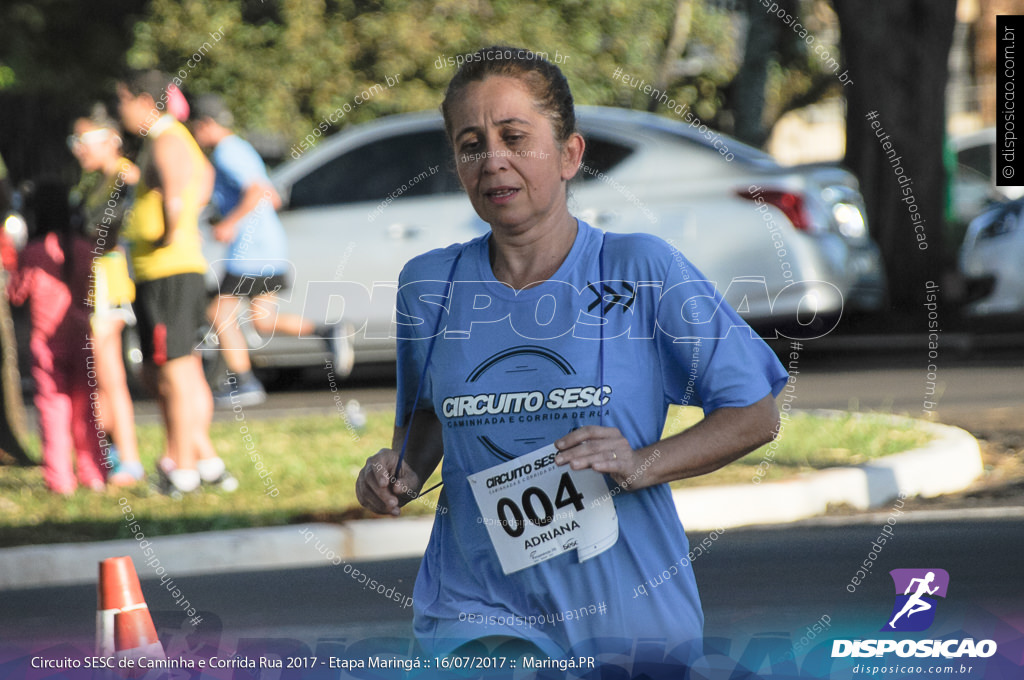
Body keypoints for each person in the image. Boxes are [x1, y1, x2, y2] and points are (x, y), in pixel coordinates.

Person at [355, 47, 788, 672]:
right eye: (471, 144)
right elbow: (426, 422)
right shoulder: (430, 285)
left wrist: (641, 463)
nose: (493, 160)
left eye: (514, 137)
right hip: (475, 601)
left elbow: (754, 413)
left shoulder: (640, 269)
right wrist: (395, 473)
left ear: (569, 155)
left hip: (626, 609)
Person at [116, 70, 236, 496]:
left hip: (168, 271)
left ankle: (182, 469)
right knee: (172, 371)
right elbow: (203, 177)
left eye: (123, 100)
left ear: (145, 102)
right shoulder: (172, 138)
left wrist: (168, 233)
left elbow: (176, 196)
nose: (120, 110)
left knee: (174, 373)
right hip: (168, 271)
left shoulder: (166, 139)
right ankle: (204, 460)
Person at [189, 94, 349, 407]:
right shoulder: (242, 148)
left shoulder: (225, 152)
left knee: (218, 313)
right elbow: (273, 196)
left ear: (205, 124)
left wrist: (230, 223)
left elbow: (259, 191)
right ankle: (327, 331)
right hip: (269, 246)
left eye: (195, 128)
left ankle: (245, 382)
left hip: (250, 250)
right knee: (262, 320)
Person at [7, 180, 105, 494]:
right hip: (82, 336)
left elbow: (17, 293)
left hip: (46, 341)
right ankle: (93, 473)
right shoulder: (85, 248)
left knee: (52, 408)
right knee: (86, 409)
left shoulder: (34, 251)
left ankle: (60, 478)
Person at [68, 103, 145, 485]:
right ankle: (107, 453)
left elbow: (105, 232)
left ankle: (128, 458)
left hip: (107, 284)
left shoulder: (123, 178)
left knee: (108, 374)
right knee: (96, 376)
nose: (77, 149)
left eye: (83, 140)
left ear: (110, 140)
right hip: (92, 282)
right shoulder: (95, 180)